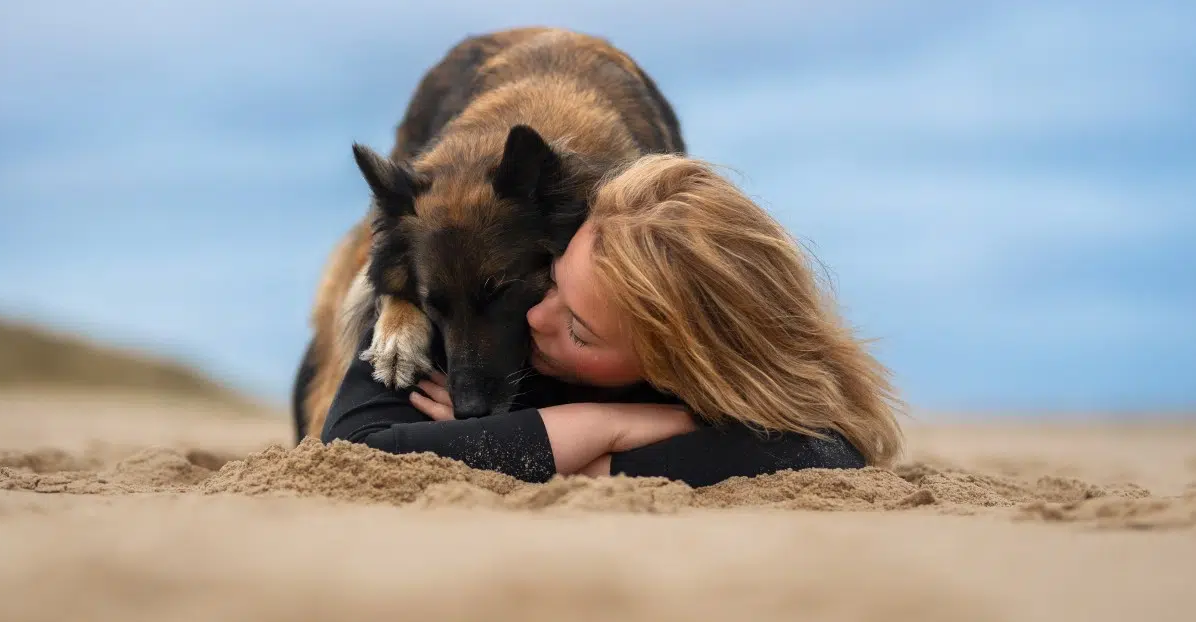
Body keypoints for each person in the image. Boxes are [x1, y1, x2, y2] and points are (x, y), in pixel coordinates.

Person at [314, 155, 904, 488]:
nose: (535, 319)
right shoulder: (482, 297)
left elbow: (828, 455)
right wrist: (614, 426)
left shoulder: (681, 376)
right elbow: (352, 451)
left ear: (673, 368)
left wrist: (590, 431)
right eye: (555, 284)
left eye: (580, 331)